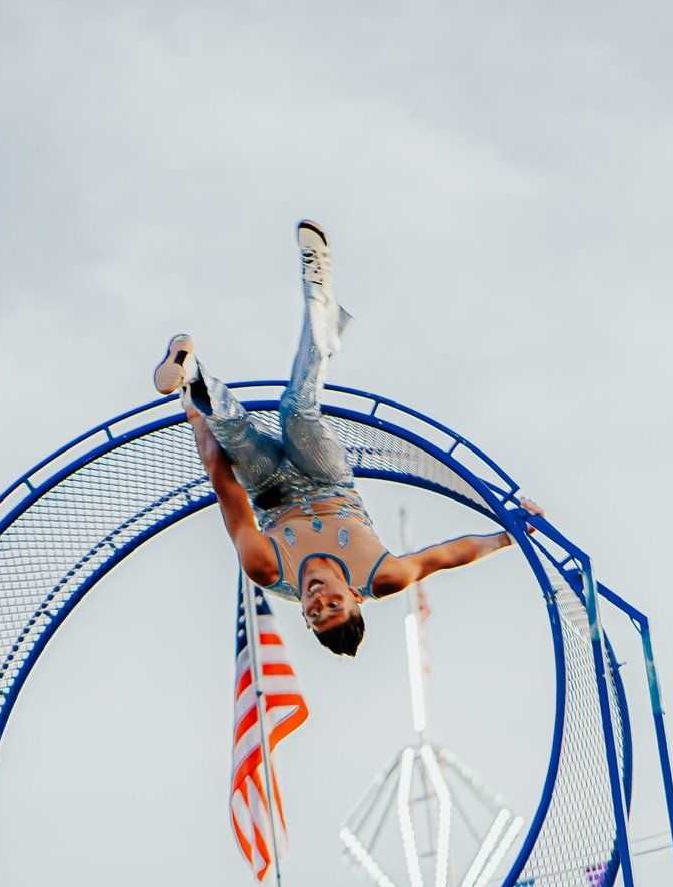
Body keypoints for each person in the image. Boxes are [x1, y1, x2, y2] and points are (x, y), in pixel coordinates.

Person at [154, 222, 533, 657]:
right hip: (326, 481)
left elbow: (226, 488)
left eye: (315, 612)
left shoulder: (266, 568)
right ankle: (319, 288)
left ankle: (195, 375)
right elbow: (446, 556)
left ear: (304, 615)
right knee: (297, 409)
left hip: (270, 493)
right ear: (354, 596)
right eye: (334, 604)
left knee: (232, 433)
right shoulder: (382, 575)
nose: (319, 600)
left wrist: (197, 411)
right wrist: (508, 536)